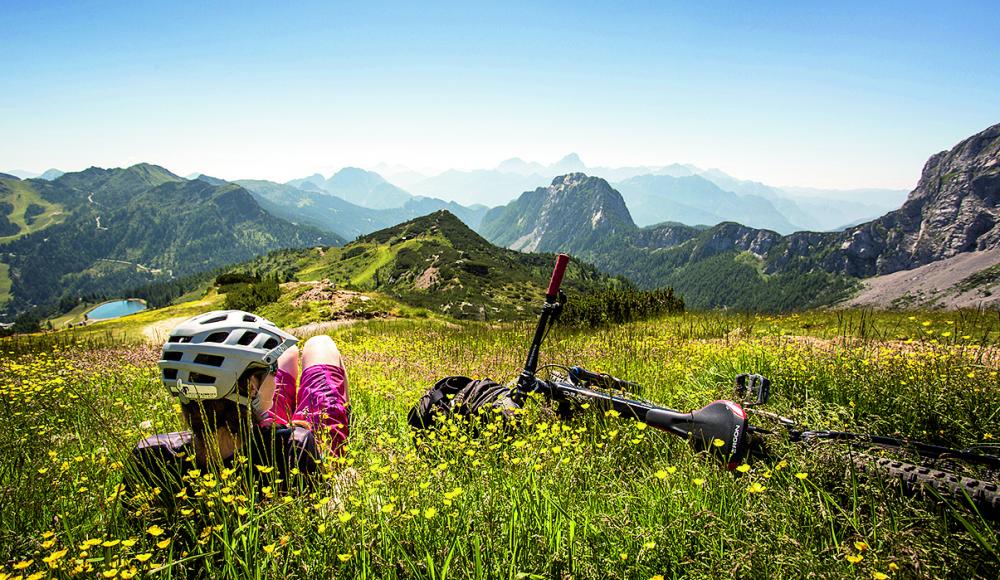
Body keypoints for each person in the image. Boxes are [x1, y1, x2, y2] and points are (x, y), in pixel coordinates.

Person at [130, 310, 349, 489]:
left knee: (288, 351)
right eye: (271, 369)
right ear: (252, 386)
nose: (275, 373)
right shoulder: (296, 447)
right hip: (282, 442)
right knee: (320, 345)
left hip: (250, 421)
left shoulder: (150, 454)